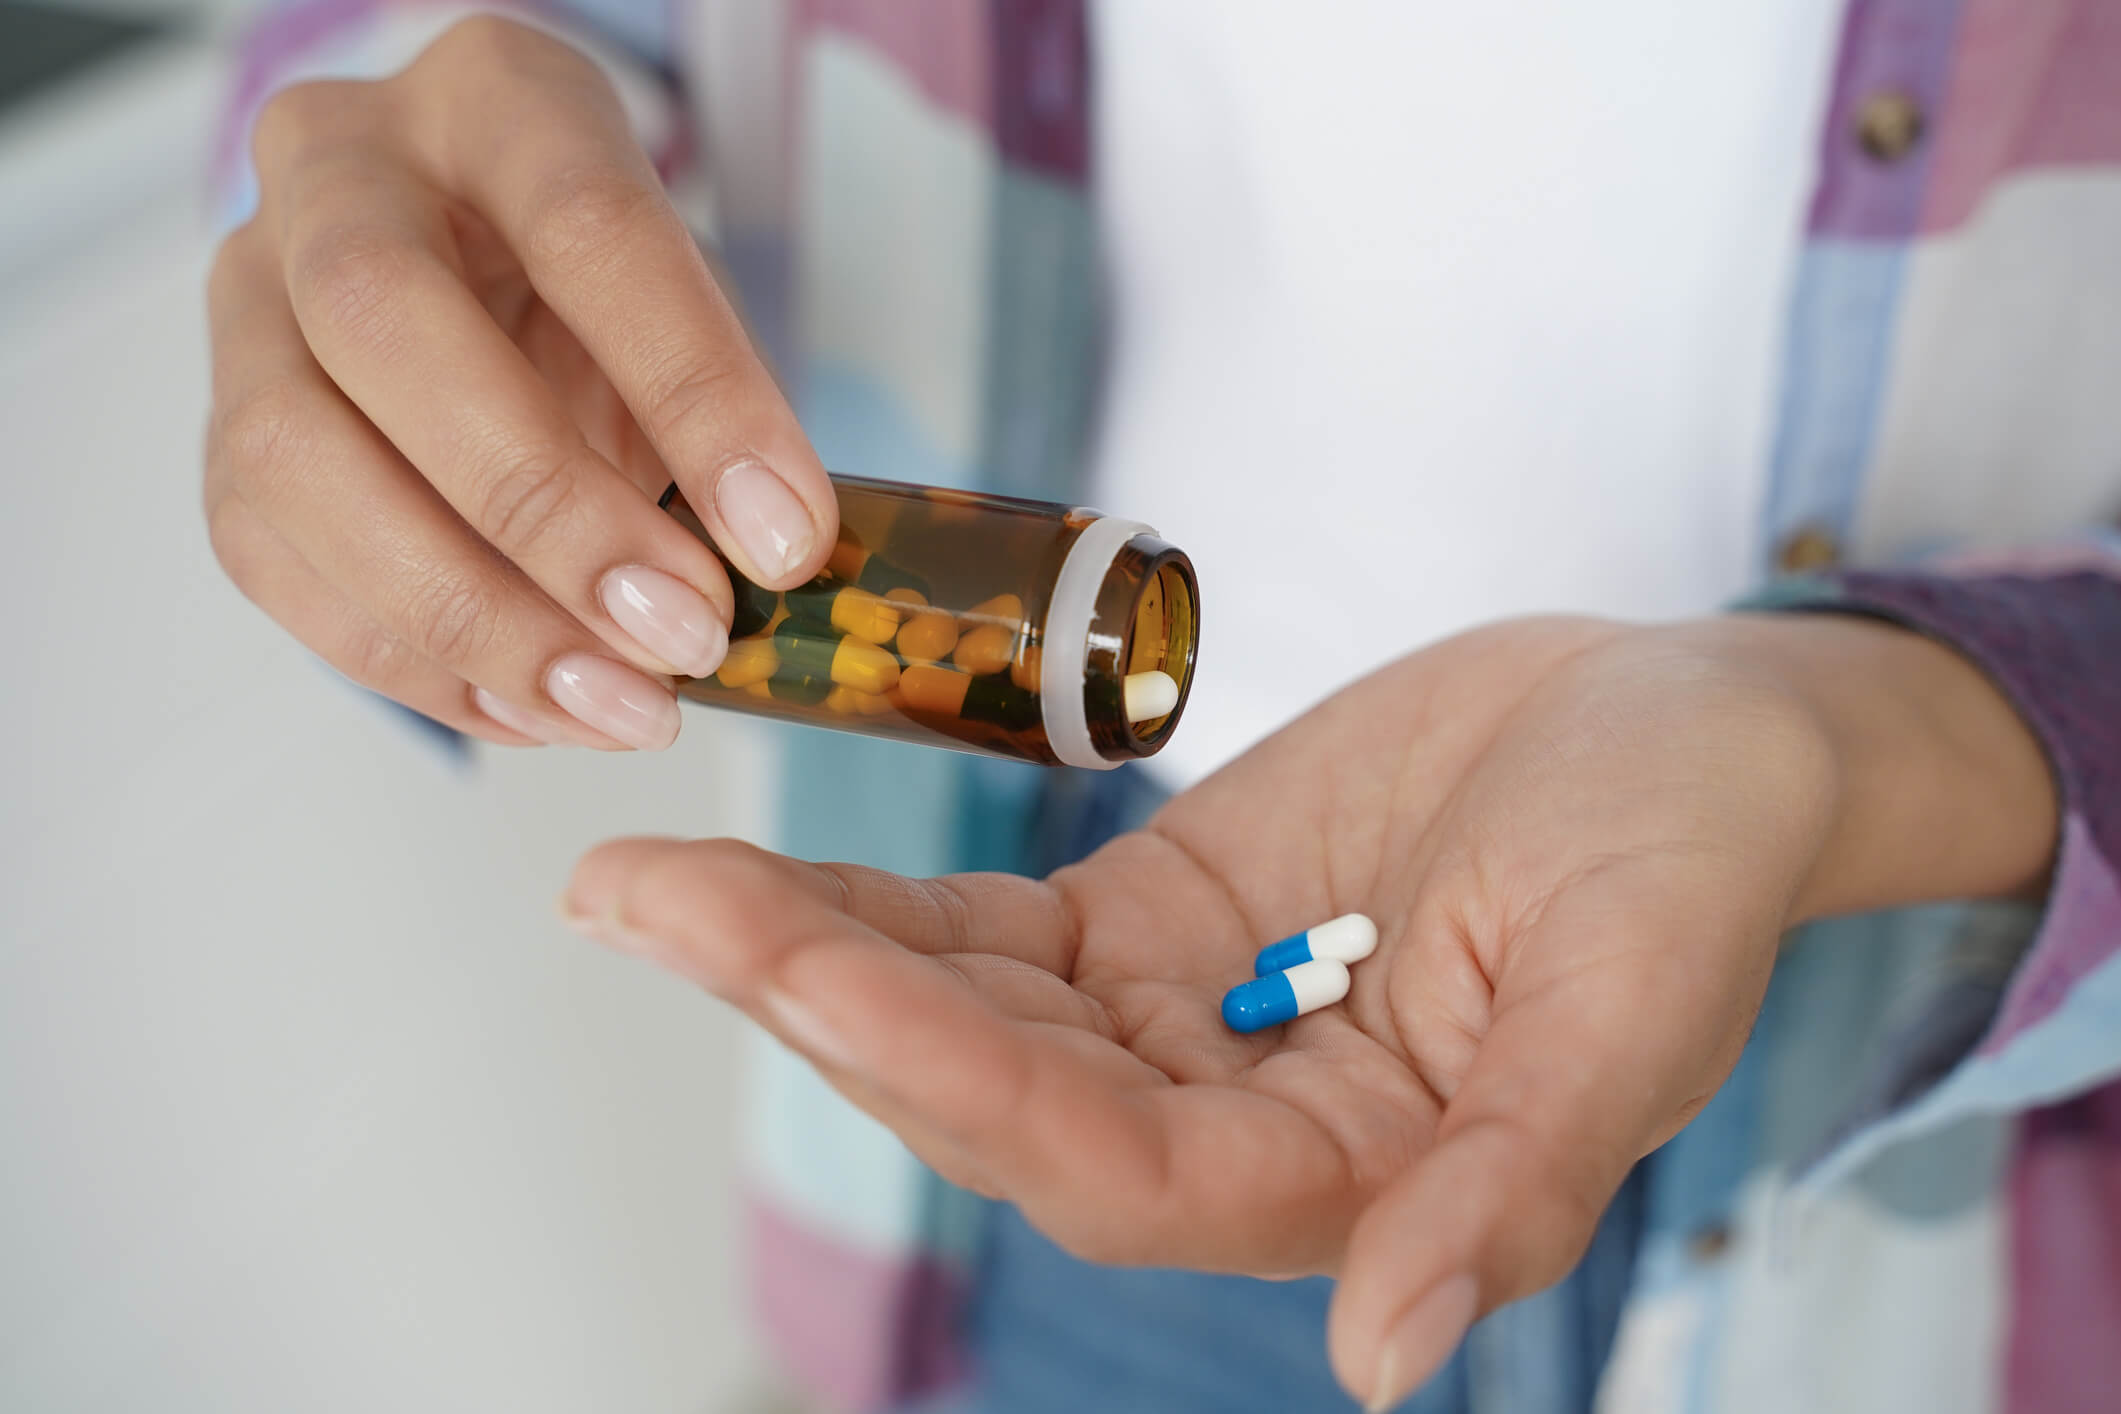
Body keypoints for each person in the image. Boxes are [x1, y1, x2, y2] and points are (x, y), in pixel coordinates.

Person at [202, 3, 2121, 1409]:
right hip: (1097, 921)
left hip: (1953, 1093)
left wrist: (1854, 731)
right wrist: (404, 176)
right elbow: (431, 44)